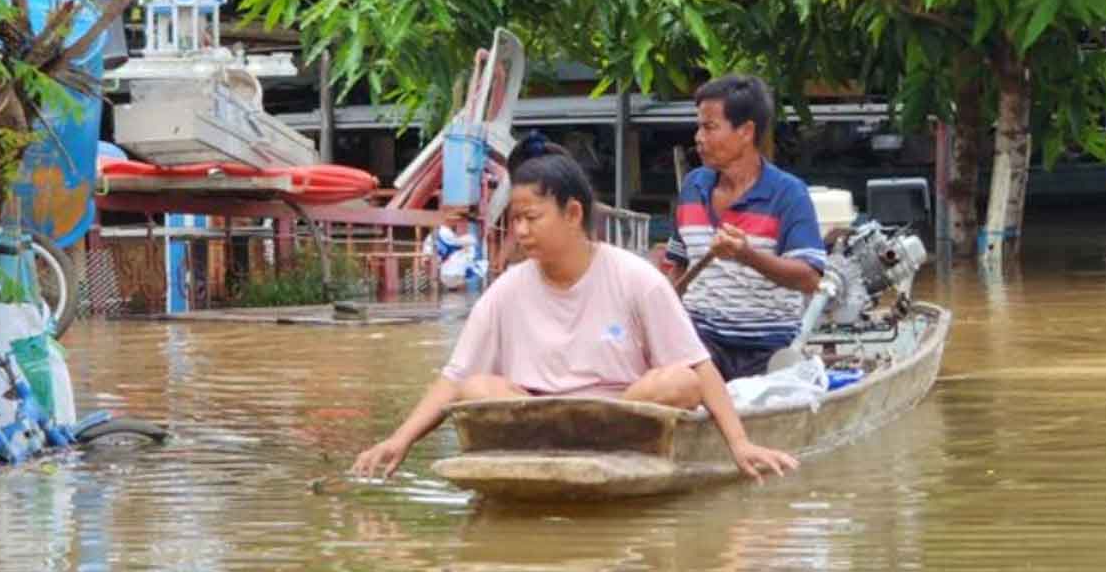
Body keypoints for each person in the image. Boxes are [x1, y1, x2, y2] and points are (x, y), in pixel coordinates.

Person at [350, 133, 798, 482]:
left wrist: (739, 444)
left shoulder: (634, 277)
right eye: (515, 220)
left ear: (572, 214)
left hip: (621, 417)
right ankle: (551, 457)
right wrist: (399, 440)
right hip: (539, 423)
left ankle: (598, 449)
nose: (520, 231)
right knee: (477, 389)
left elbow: (699, 368)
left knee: (677, 380)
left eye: (532, 217)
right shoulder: (506, 290)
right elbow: (454, 379)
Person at [664, 75, 827, 382]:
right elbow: (677, 266)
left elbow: (810, 279)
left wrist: (747, 255)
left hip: (768, 348)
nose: (698, 137)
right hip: (702, 346)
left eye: (710, 127)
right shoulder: (692, 187)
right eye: (699, 126)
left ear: (746, 132)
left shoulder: (788, 193)